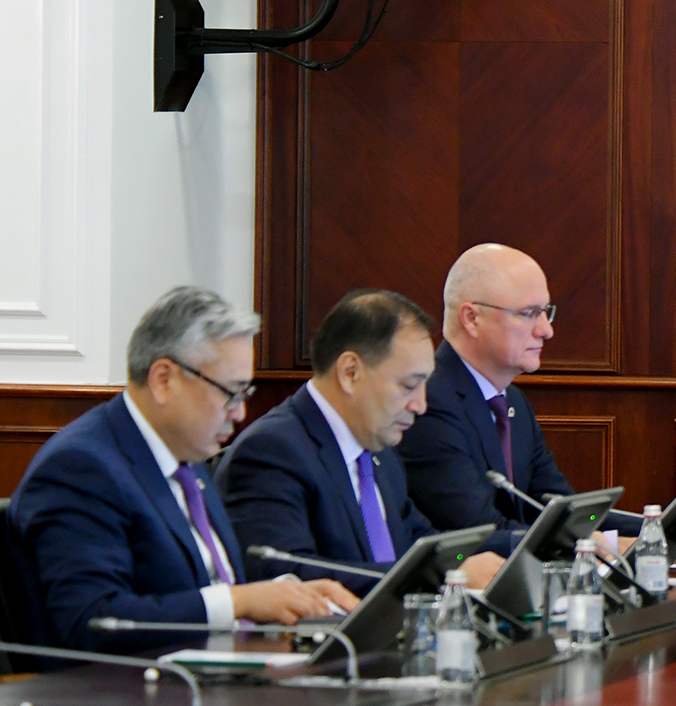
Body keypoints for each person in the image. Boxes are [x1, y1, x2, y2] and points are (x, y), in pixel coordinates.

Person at [6, 288, 358, 653]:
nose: (240, 413)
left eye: (245, 394)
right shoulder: (81, 468)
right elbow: (94, 620)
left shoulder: (186, 456)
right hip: (125, 683)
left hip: (217, 669)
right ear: (164, 379)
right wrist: (238, 602)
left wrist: (289, 593)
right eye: (231, 392)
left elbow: (210, 585)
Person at [216, 290, 507, 595]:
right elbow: (286, 574)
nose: (421, 405)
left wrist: (462, 560)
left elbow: (422, 545)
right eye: (409, 385)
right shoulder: (272, 452)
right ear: (350, 372)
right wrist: (443, 575)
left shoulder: (380, 454)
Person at [399, 245, 640, 537]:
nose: (546, 330)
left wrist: (656, 530)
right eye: (529, 313)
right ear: (472, 319)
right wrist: (598, 544)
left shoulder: (513, 401)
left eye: (545, 312)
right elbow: (479, 531)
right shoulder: (429, 402)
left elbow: (561, 508)